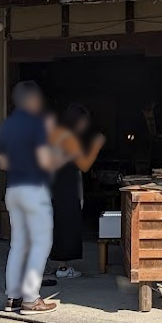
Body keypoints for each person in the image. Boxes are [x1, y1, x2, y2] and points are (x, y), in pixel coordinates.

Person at [0, 81, 62, 313]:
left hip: (13, 190)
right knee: (41, 242)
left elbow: (2, 163)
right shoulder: (38, 124)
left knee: (18, 245)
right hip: (34, 189)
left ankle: (13, 297)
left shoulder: (5, 126)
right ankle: (31, 298)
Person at [48, 104, 105, 279]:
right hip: (66, 186)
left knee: (58, 225)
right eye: (84, 121)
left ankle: (59, 265)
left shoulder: (56, 134)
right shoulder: (69, 138)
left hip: (55, 184)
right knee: (67, 225)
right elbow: (84, 164)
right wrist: (96, 146)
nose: (85, 125)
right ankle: (63, 268)